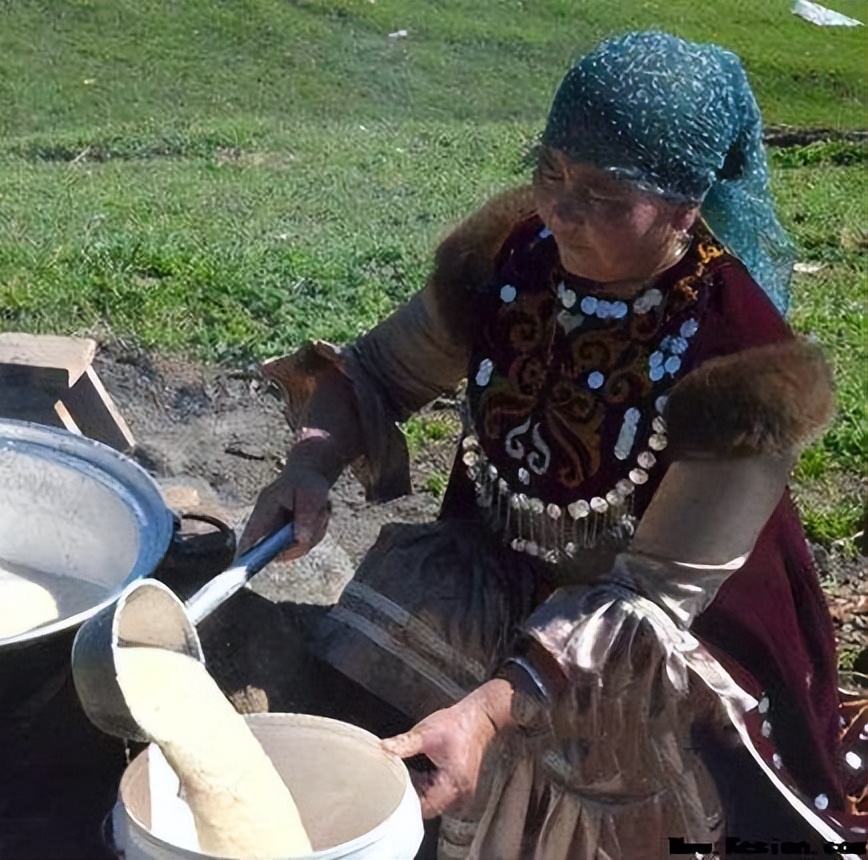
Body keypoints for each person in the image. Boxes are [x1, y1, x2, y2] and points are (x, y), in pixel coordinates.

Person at [239, 30, 867, 858]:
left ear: (684, 206)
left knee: (595, 804)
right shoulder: (513, 254)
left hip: (659, 643)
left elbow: (649, 600)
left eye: (605, 193)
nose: (562, 209)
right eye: (552, 170)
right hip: (516, 574)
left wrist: (489, 709)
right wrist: (310, 464)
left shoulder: (745, 364)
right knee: (402, 608)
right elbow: (377, 370)